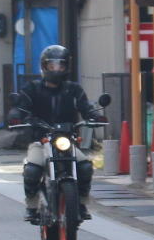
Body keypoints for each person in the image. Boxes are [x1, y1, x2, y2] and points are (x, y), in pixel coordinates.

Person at [10, 44, 102, 223]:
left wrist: (94, 115)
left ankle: (81, 203)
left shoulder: (74, 89)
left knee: (84, 167)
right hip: (41, 140)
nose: (56, 69)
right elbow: (21, 106)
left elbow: (86, 106)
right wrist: (17, 115)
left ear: (67, 67)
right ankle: (31, 206)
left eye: (61, 65)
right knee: (32, 169)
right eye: (52, 66)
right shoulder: (33, 88)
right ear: (44, 67)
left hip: (67, 139)